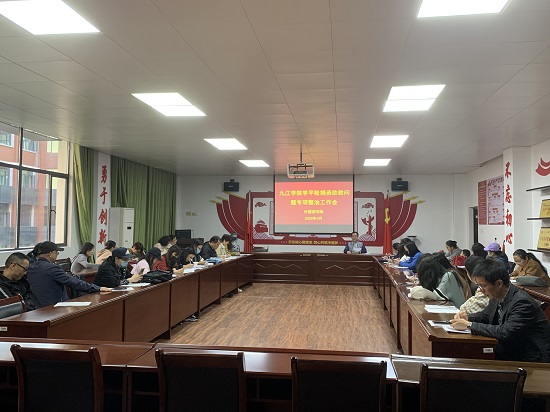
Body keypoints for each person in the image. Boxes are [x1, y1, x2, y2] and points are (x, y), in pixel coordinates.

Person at [451, 259, 550, 362]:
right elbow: (485, 315)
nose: (481, 290)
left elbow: (505, 332)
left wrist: (469, 325)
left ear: (499, 284)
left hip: (530, 359)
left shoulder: (522, 302)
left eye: (483, 286)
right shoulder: (497, 295)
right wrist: (467, 317)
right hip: (510, 351)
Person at [27, 241, 110, 308]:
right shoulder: (52, 268)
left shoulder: (32, 267)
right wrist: (97, 288)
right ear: (50, 253)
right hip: (54, 308)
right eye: (57, 253)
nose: (57, 255)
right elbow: (72, 281)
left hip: (37, 308)